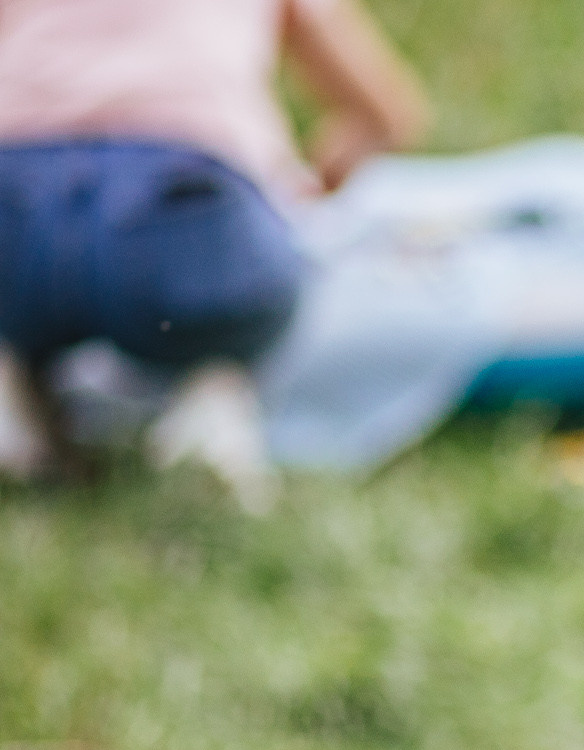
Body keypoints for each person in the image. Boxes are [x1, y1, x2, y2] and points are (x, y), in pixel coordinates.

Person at [0, 0, 429, 506]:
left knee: (22, 290)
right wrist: (322, 174)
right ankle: (209, 403)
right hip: (183, 202)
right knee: (242, 298)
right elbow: (387, 116)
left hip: (16, 198)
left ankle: (16, 397)